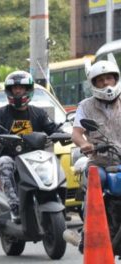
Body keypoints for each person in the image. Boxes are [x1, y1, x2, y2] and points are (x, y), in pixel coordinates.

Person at [0, 70, 58, 222]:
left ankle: (54, 200)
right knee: (4, 162)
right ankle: (14, 206)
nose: (18, 91)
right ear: (9, 91)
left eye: (21, 88)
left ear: (28, 90)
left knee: (54, 163)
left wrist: (64, 133)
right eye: (14, 88)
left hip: (35, 159)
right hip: (11, 157)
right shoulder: (1, 114)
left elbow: (52, 128)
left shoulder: (39, 113)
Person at [65, 58, 121, 253]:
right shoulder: (86, 106)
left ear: (116, 79)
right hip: (100, 161)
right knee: (97, 181)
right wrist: (86, 144)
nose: (106, 83)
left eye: (109, 78)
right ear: (94, 84)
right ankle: (88, 234)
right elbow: (77, 133)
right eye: (100, 80)